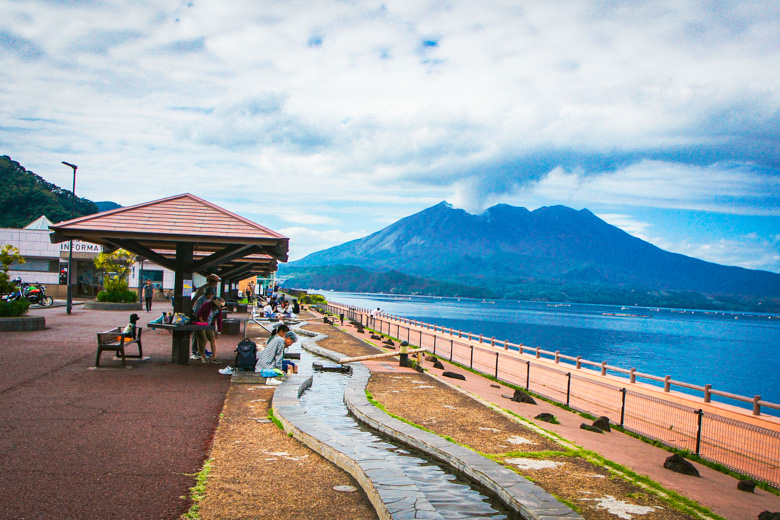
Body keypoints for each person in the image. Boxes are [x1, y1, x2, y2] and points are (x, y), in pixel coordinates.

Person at [195, 296, 225, 364]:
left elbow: (219, 320)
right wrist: (203, 322)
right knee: (203, 339)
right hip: (201, 323)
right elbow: (199, 315)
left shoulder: (218, 310)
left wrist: (219, 331)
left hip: (209, 325)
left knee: (213, 339)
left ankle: (214, 358)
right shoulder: (207, 305)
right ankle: (203, 356)